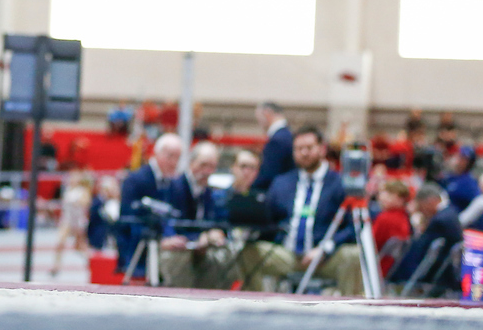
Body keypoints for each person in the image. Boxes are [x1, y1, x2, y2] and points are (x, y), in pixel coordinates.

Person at [239, 126, 362, 295]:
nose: (304, 153)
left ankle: (352, 311)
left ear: (322, 149)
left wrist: (326, 248)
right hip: (288, 255)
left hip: (326, 257)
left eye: (309, 148)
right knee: (248, 252)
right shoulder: (281, 183)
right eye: (299, 149)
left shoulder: (339, 183)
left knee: (353, 255)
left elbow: (354, 227)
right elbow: (269, 221)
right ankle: (256, 305)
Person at [160, 142, 231, 289]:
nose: (207, 171)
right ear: (191, 163)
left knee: (227, 258)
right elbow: (165, 221)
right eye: (203, 165)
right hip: (177, 247)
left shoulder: (211, 193)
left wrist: (215, 233)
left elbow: (220, 223)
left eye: (212, 167)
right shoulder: (173, 186)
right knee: (177, 260)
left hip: (202, 248)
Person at [117, 132, 182, 272]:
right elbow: (127, 219)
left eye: (178, 157)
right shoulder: (135, 179)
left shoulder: (172, 183)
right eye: (170, 156)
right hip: (137, 251)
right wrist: (160, 241)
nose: (174, 162)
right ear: (156, 153)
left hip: (165, 253)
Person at [388, 183, 463, 294]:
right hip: (445, 272)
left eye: (421, 206)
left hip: (433, 274)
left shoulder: (439, 221)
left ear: (431, 201)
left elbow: (418, 250)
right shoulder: (450, 214)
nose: (422, 211)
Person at [50, 170, 92, 278]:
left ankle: (91, 262)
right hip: (67, 220)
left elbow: (85, 203)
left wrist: (76, 203)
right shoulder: (67, 190)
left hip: (78, 221)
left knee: (79, 246)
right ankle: (56, 266)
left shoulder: (83, 191)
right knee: (60, 242)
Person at [372, 179, 412, 279]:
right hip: (393, 267)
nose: (382, 197)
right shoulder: (404, 217)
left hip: (378, 266)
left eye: (389, 194)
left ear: (400, 199)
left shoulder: (385, 218)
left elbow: (371, 244)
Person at [252, 102, 294, 191]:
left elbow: (268, 174)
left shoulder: (277, 140)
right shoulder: (288, 135)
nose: (259, 123)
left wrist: (250, 189)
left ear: (267, 113)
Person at [441, 145, 479, 213]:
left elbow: (477, 204)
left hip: (454, 217)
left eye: (464, 159)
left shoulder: (469, 182)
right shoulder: (448, 176)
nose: (460, 161)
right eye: (460, 157)